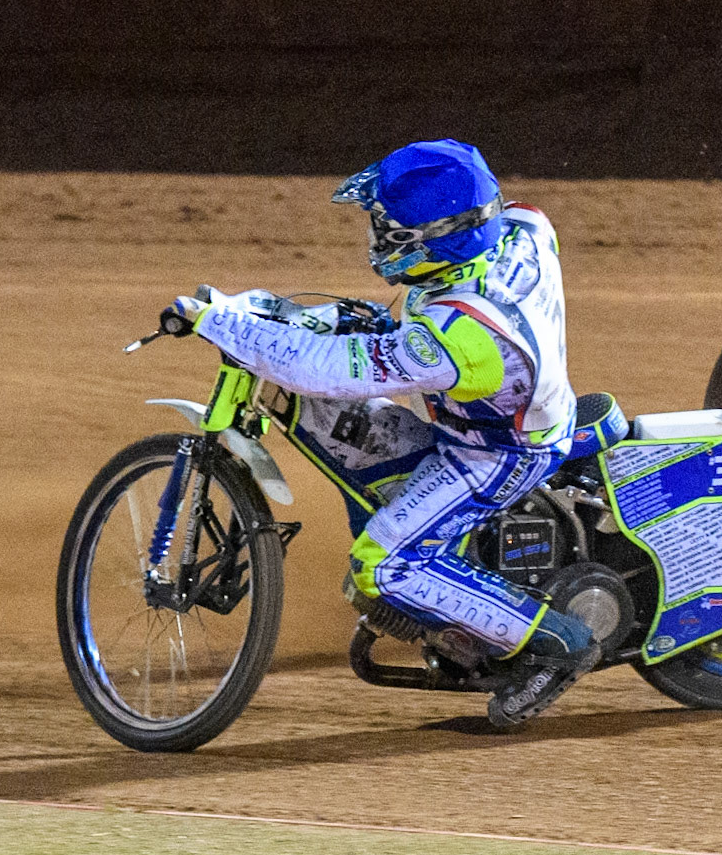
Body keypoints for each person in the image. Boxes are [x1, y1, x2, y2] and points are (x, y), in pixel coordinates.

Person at [163, 139, 599, 728]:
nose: (376, 237)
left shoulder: (463, 335)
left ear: (433, 238)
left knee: (382, 565)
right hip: (503, 408)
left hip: (494, 452)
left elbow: (320, 369)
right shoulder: (520, 228)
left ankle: (557, 642)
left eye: (389, 228)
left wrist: (218, 320)